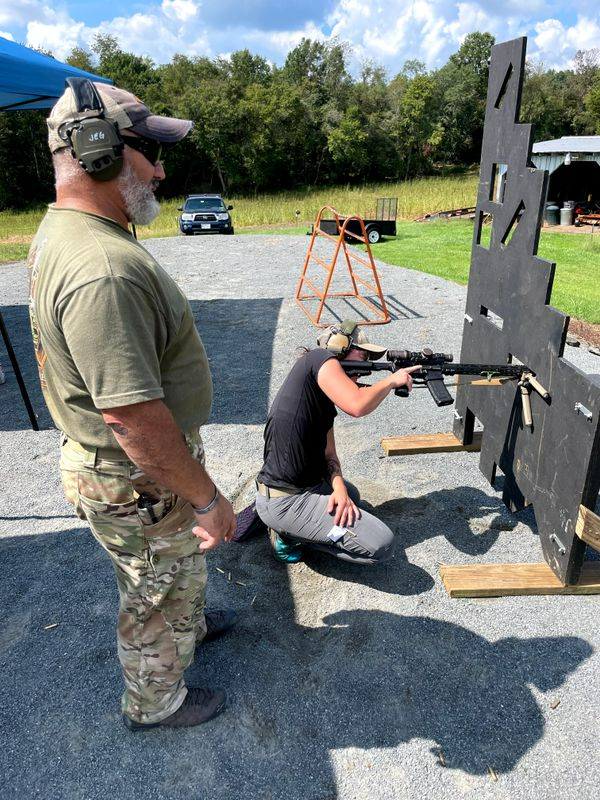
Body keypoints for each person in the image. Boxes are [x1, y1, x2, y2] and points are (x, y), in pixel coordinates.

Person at [27, 80, 237, 731]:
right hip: (133, 471)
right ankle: (154, 701)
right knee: (151, 587)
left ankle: (190, 625)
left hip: (137, 468)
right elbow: (133, 418)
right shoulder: (102, 268)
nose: (162, 169)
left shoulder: (73, 232)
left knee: (173, 566)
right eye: (149, 151)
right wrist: (207, 496)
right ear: (98, 151)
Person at [255, 320, 421, 564]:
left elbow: (329, 456)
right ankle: (287, 534)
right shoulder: (320, 359)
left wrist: (339, 488)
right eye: (361, 353)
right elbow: (357, 405)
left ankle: (296, 525)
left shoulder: (318, 396)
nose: (364, 362)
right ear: (339, 347)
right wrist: (390, 381)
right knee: (382, 546)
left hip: (304, 486)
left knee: (351, 495)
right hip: (285, 499)